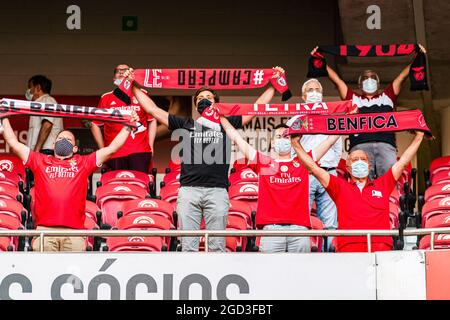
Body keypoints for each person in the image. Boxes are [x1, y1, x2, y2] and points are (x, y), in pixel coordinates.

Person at [125, 66, 285, 252]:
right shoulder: (186, 124)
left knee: (217, 247)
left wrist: (273, 84)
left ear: (216, 103)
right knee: (188, 247)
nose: (204, 101)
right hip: (189, 192)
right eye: (200, 99)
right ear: (195, 105)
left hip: (217, 192)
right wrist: (134, 84)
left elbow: (255, 109)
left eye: (208, 98)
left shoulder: (226, 123)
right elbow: (153, 110)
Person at [0, 113, 137, 252]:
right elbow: (13, 143)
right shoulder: (40, 161)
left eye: (68, 139)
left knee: (73, 273)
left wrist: (127, 127)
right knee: (44, 273)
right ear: (53, 145)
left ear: (75, 148)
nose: (63, 141)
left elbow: (112, 149)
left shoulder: (83, 163)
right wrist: (4, 117)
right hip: (45, 232)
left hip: (75, 234)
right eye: (60, 138)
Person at [293, 130, 425, 252]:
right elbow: (313, 167)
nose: (360, 162)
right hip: (348, 250)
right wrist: (295, 143)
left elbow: (402, 162)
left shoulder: (382, 184)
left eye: (363, 159)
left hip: (381, 249)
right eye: (355, 160)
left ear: (369, 166)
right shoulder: (339, 186)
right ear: (348, 168)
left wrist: (419, 137)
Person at [221, 118, 340, 252]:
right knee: (271, 272)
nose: (282, 139)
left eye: (286, 136)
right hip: (271, 230)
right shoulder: (264, 163)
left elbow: (329, 141)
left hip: (299, 229)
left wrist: (346, 119)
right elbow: (238, 139)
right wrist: (220, 117)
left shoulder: (304, 163)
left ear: (292, 140)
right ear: (272, 142)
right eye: (278, 136)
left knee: (300, 272)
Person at [312, 45, 427, 179]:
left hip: (386, 146)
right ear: (360, 85)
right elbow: (337, 80)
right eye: (366, 79)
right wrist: (320, 60)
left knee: (388, 183)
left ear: (378, 83)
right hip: (360, 148)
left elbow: (402, 77)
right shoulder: (352, 98)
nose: (369, 81)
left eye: (372, 78)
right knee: (362, 185)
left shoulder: (388, 96)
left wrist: (417, 58)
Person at [290, 78, 342, 250]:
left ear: (321, 94)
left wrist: (326, 165)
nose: (314, 93)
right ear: (304, 97)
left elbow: (337, 149)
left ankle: (329, 258)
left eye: (317, 90)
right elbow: (292, 151)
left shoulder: (331, 117)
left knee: (330, 223)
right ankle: (302, 257)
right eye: (310, 90)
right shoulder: (295, 119)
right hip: (304, 174)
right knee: (300, 221)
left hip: (328, 173)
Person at [90, 64, 157, 173]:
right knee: (115, 186)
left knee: (140, 185)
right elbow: (95, 124)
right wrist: (103, 149)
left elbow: (152, 120)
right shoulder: (106, 98)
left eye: (125, 70)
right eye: (118, 71)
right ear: (113, 78)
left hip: (139, 151)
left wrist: (151, 145)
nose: (121, 72)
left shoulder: (142, 94)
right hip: (115, 152)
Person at [25, 75, 64, 155]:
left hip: (46, 150)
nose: (28, 91)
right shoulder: (39, 103)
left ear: (38, 87)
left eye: (30, 87)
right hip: (39, 151)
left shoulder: (47, 100)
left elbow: (47, 125)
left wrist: (36, 150)